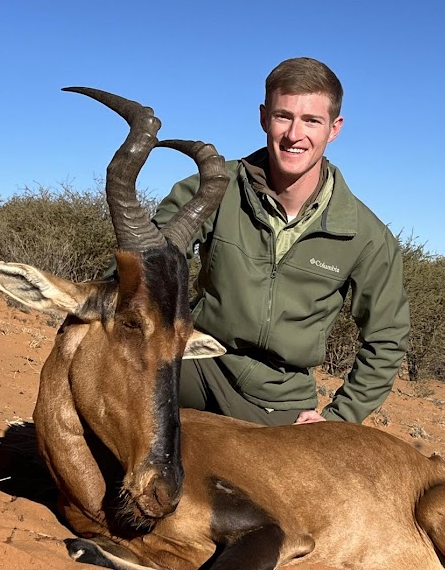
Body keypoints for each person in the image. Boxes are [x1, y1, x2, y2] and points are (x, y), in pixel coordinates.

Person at [152, 57, 410, 425]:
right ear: (263, 117)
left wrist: (339, 421)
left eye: (311, 120)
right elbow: (147, 257)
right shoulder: (212, 187)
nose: (294, 134)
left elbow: (386, 338)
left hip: (277, 399)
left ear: (334, 128)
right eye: (283, 116)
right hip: (193, 362)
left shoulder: (367, 236)